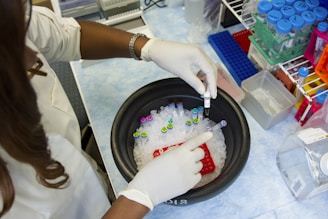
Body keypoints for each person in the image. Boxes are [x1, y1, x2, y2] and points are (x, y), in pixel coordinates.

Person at [0, 0, 217, 218]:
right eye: (11, 52)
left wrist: (147, 47)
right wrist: (139, 198)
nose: (33, 55)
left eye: (22, 36)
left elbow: (65, 36)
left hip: (82, 176)